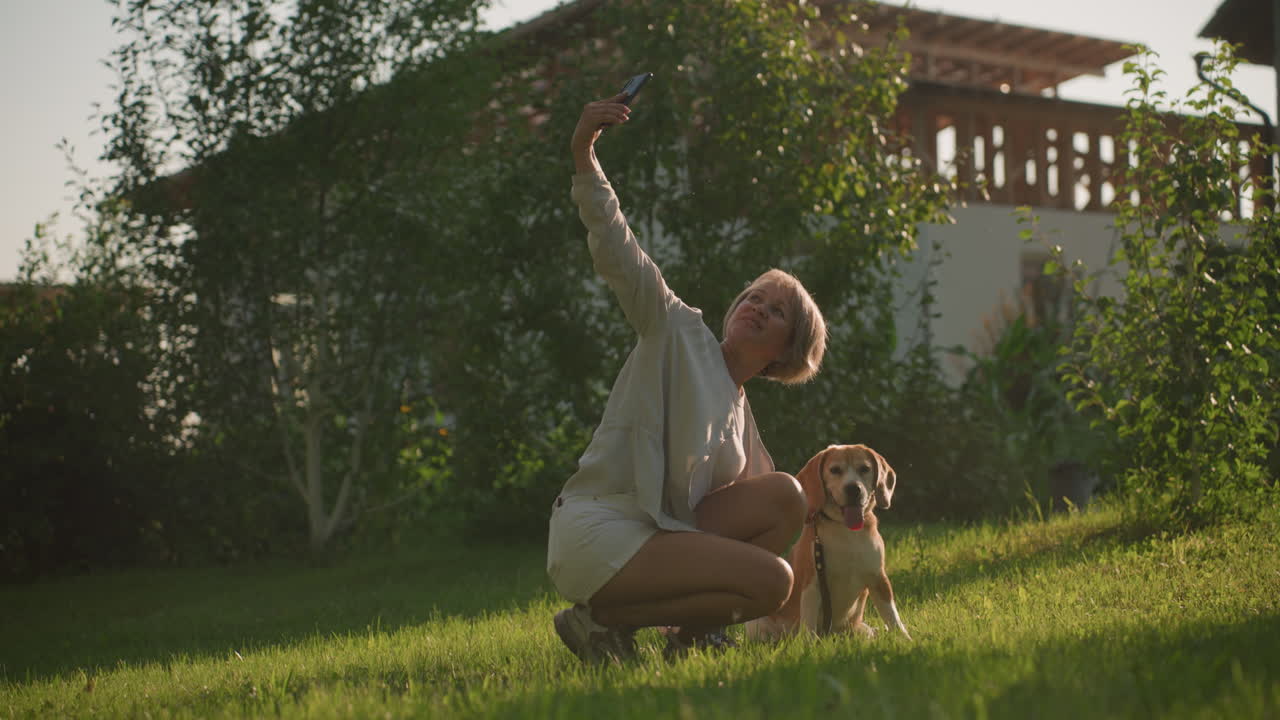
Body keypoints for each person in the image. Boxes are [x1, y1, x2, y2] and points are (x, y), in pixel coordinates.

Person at [546, 93, 828, 663]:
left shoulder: (739, 413)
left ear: (784, 351)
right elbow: (618, 249)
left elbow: (783, 514)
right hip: (600, 529)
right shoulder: (675, 328)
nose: (755, 306)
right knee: (770, 582)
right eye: (754, 296)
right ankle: (597, 620)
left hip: (659, 535)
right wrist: (584, 155)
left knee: (786, 496)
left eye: (773, 311)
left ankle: (693, 636)